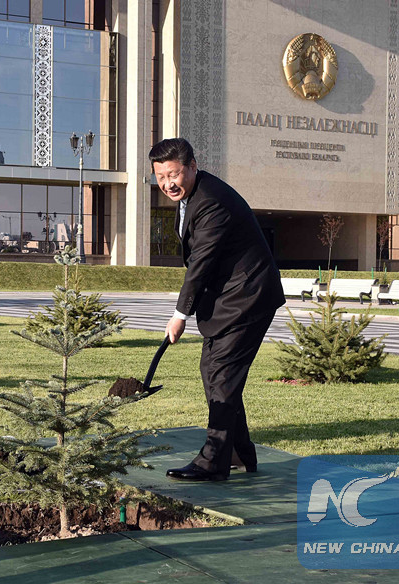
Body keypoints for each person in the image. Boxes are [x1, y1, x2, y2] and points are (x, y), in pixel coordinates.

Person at [150, 138, 285, 482]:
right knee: (212, 372)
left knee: (222, 376)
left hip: (248, 297)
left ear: (193, 166)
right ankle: (240, 453)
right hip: (229, 298)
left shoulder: (212, 202)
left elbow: (201, 262)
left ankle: (214, 461)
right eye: (161, 177)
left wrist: (180, 314)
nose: (168, 184)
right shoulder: (194, 197)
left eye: (174, 174)